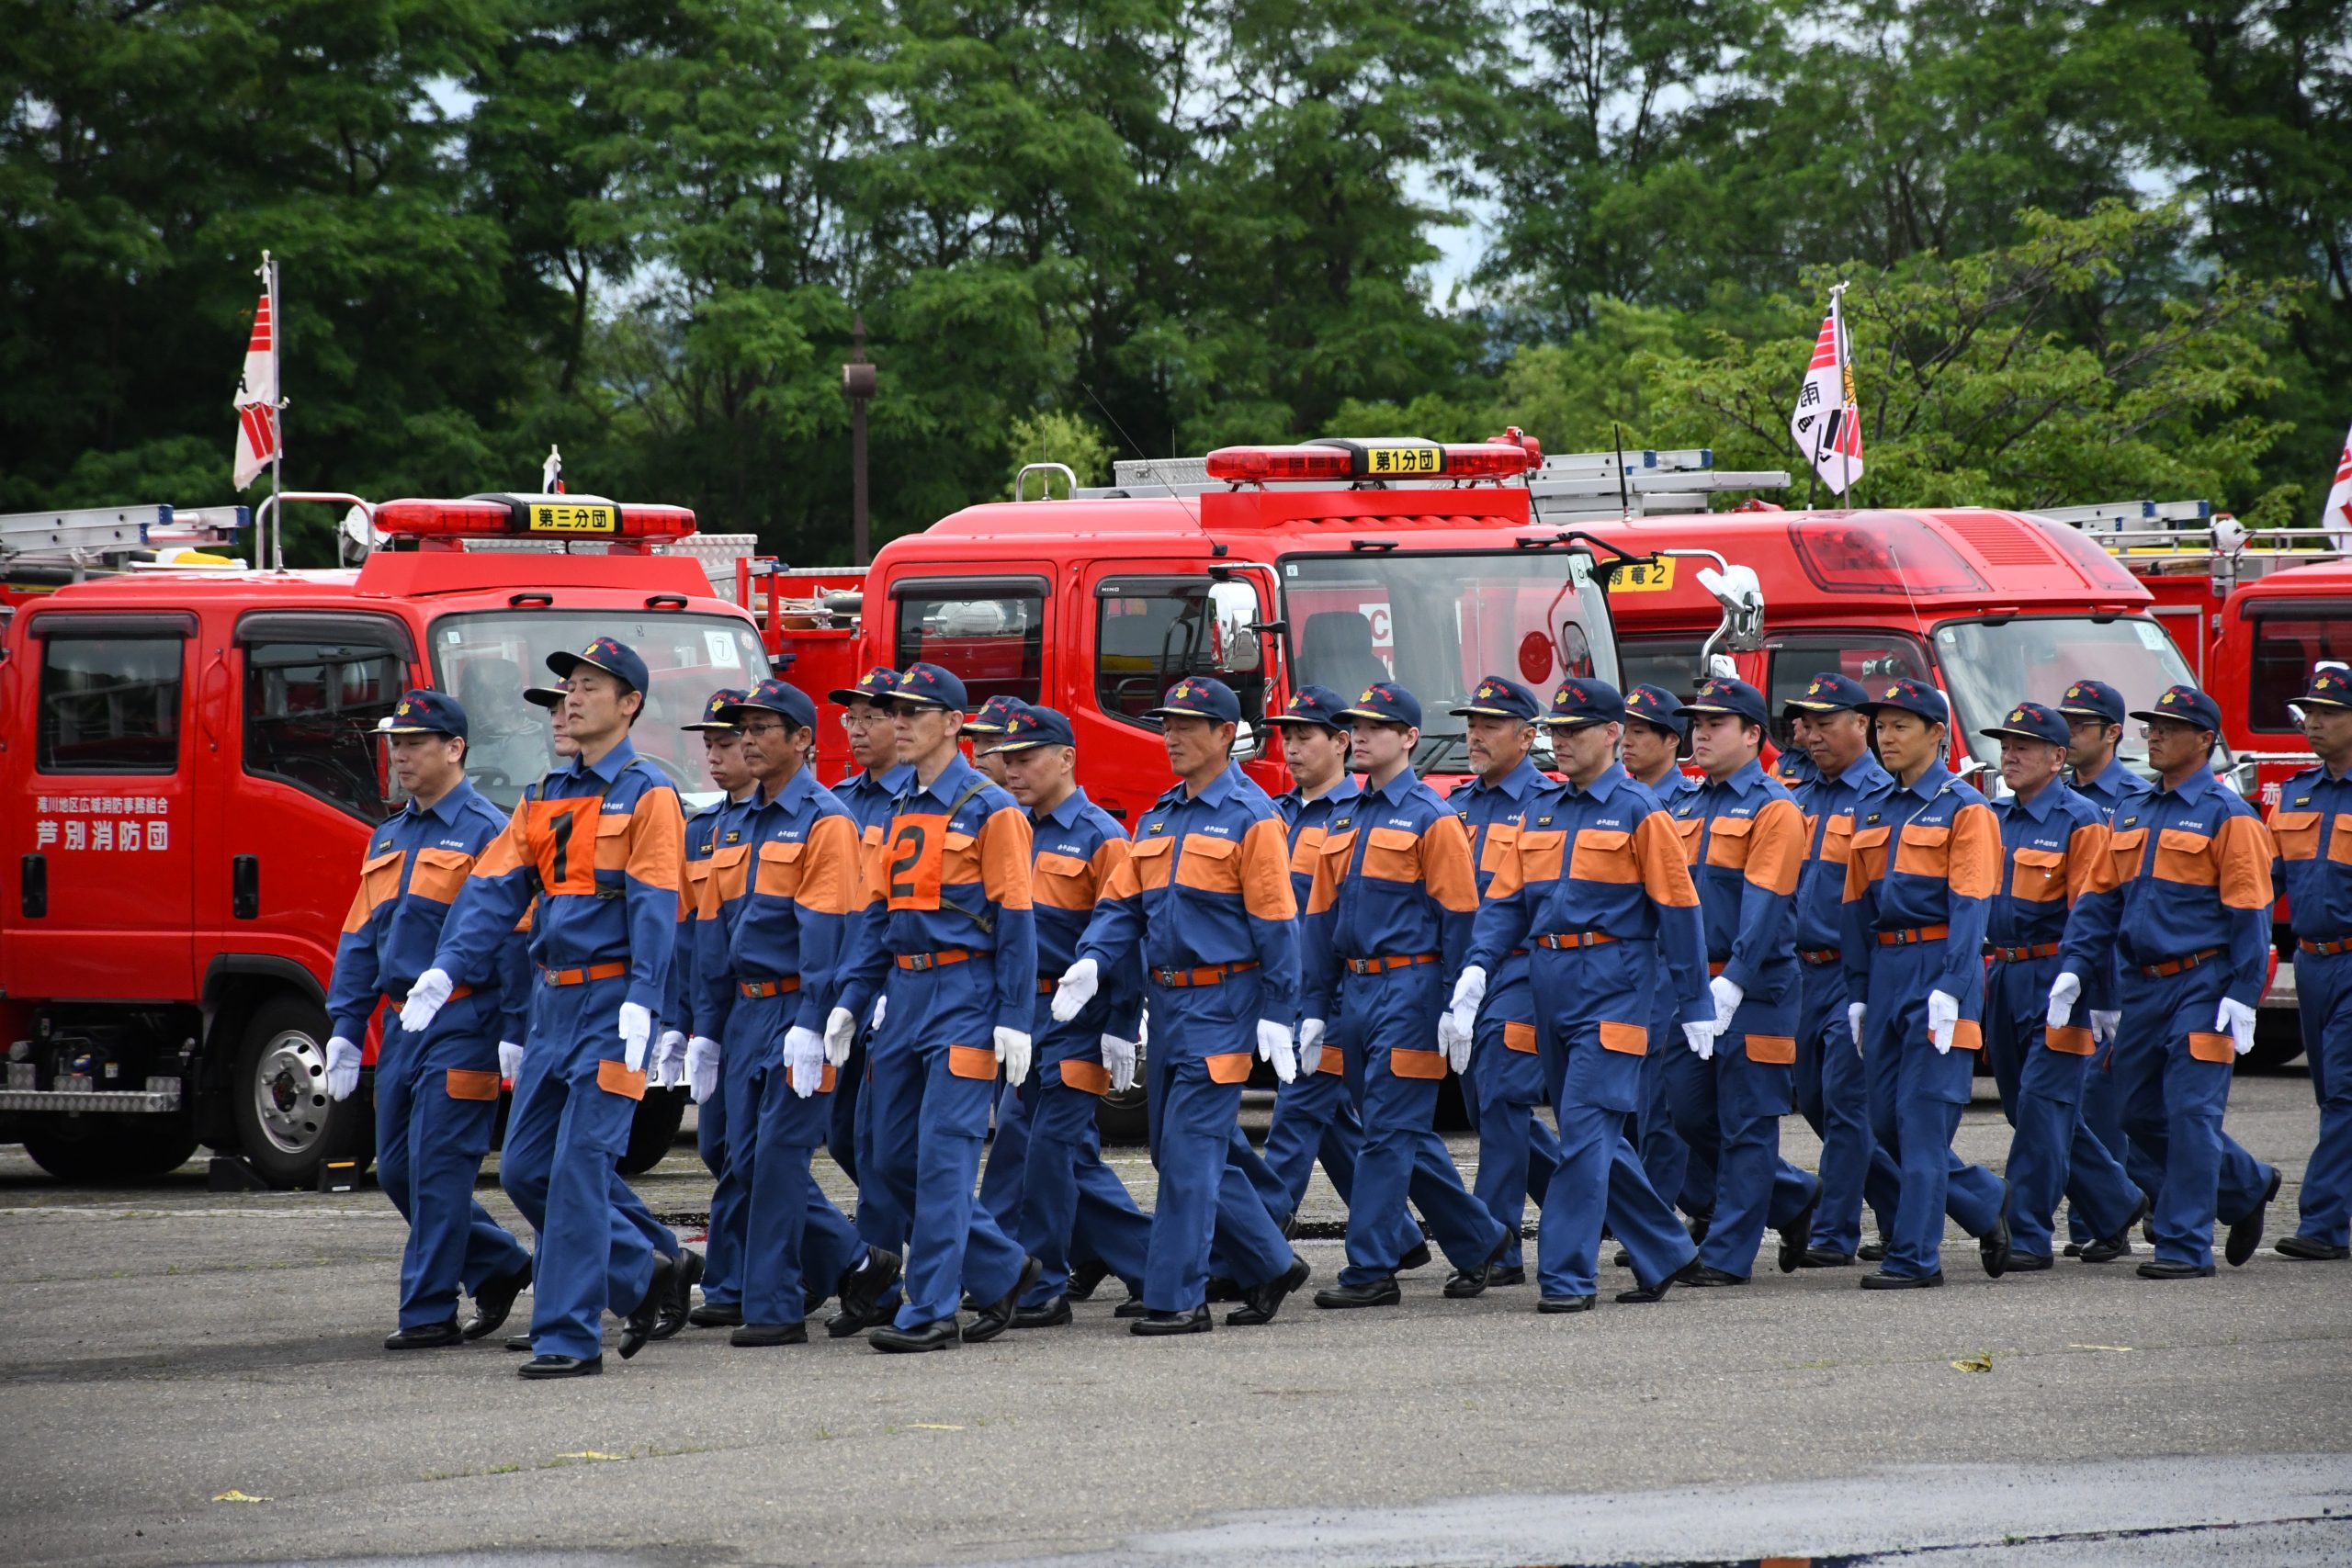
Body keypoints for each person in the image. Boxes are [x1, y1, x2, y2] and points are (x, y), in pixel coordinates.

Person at [402, 637, 694, 1378]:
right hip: (553, 1001)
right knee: (528, 1167)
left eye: (591, 685)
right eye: (569, 686)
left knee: (578, 1166)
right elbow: (493, 889)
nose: (573, 697)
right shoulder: (545, 794)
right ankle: (643, 1269)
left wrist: (646, 997)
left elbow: (657, 901)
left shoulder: (648, 792)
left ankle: (566, 1334)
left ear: (630, 703)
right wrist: (447, 967)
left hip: (613, 1002)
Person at [1053, 677, 1310, 1336]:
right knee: (1173, 1151)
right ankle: (1271, 1262)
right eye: (1167, 724)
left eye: (1187, 725)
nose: (1170, 736)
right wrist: (1093, 959)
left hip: (1224, 1001)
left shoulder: (1252, 817)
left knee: (1191, 1153)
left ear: (1225, 734)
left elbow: (1278, 923)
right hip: (1168, 1003)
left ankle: (1177, 1296)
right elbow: (1121, 903)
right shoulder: (1160, 815)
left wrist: (1279, 1010)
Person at [1453, 678, 1712, 1312]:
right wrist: (1477, 969)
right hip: (1549, 982)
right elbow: (1505, 903)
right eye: (1556, 731)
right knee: (1589, 1131)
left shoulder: (1640, 811)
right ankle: (1666, 1248)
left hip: (1615, 986)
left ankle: (1567, 1275)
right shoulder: (1541, 811)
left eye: (1574, 731)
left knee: (1587, 1130)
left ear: (1612, 733)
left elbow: (1679, 911)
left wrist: (1696, 1002)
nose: (1561, 742)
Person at [826, 662, 1040, 1351]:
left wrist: (1015, 1016)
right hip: (906, 993)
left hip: (966, 995)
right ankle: (1001, 1266)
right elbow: (876, 915)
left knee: (943, 1158)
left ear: (953, 723)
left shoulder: (991, 808)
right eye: (894, 712)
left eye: (913, 712)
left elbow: (1017, 919)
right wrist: (852, 999)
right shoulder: (899, 809)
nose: (899, 723)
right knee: (887, 1156)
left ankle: (932, 1309)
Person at [323, 690, 534, 1350]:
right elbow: (361, 936)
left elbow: (514, 937)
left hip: (466, 1018)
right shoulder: (388, 836)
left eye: (415, 743)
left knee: (440, 1169)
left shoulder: (489, 832)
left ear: (455, 748)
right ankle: (499, 1264)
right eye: (395, 744)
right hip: (403, 1028)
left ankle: (427, 1311)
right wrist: (345, 1025)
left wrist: (514, 1026)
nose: (401, 755)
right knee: (396, 1170)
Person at [2052, 683, 2282, 1279]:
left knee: (2190, 1111)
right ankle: (2244, 1184)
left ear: (2205, 740)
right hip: (2145, 986)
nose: (2154, 735)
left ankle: (2184, 1244)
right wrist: (2075, 966)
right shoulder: (2133, 809)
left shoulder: (2228, 815)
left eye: (2170, 727)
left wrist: (2243, 993)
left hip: (2205, 980)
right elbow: (2100, 900)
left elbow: (2250, 911)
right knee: (2134, 1112)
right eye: (2152, 725)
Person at [695, 678, 900, 1344]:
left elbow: (828, 932)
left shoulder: (825, 820)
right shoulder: (735, 821)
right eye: (744, 729)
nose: (748, 740)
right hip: (745, 1009)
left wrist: (814, 1021)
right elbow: (712, 930)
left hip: (796, 1006)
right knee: (741, 1157)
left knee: (779, 1156)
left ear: (802, 739)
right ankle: (860, 1264)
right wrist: (705, 1028)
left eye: (762, 728)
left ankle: (776, 1306)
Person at [1301, 682, 1509, 1309]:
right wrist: (1313, 1007)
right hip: (1356, 989)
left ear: (1410, 738)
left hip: (1410, 988)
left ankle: (1370, 1267)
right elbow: (1320, 920)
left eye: (1377, 727)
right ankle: (1480, 1238)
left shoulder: (1431, 818)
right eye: (1357, 726)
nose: (1360, 736)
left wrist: (1455, 1004)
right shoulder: (1345, 816)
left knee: (1387, 1134)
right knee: (1396, 1130)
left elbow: (1460, 918)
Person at [1839, 677, 2012, 1290]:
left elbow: (1971, 904)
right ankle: (1984, 1199)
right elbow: (1855, 907)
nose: (1885, 737)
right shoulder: (1873, 807)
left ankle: (1915, 1257)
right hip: (1887, 969)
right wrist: (1858, 991)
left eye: (1900, 726)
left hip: (1940, 965)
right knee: (1885, 1120)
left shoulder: (1966, 808)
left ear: (1937, 733)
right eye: (1879, 726)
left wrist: (1953, 983)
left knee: (1922, 1120)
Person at [993, 704, 1155, 1322]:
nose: (1013, 770)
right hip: (1025, 1011)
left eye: (1027, 757)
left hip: (1077, 1017)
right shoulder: (1013, 828)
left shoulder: (1101, 836)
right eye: (1008, 759)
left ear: (1066, 758)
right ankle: (1151, 1265)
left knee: (1049, 1151)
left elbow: (1126, 936)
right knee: (1053, 1153)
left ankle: (1042, 1285)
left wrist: (1121, 1024)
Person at [1975, 699, 2146, 1269]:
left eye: (2023, 747)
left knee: (2043, 1106)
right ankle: (2116, 1200)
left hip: (2059, 977)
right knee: (2023, 1107)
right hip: (2004, 973)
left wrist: (2101, 997)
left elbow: (2095, 915)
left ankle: (2026, 1233)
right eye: (2005, 746)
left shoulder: (2082, 820)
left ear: (2057, 758)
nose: (2010, 756)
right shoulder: (1994, 817)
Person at [1258, 687, 1424, 1268]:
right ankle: (1437, 1238)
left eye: (1306, 736)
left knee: (1296, 1116)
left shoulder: (1356, 814)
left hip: (1338, 996)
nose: (1292, 748)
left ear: (1340, 743)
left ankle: (1254, 1251)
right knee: (1336, 1125)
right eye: (1287, 737)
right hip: (1284, 994)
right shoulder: (1274, 815)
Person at [1663, 677, 1822, 1284]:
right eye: (1696, 723)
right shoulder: (1686, 804)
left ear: (1753, 734)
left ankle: (1728, 1256)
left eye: (1715, 723)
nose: (1699, 734)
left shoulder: (1773, 807)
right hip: (1693, 985)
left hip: (1756, 989)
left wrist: (1735, 980)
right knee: (1686, 1112)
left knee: (1748, 1121)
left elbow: (1767, 902)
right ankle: (1791, 1195)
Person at [1780, 673, 1898, 1268]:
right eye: (1808, 724)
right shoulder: (1798, 794)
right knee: (1814, 1100)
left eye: (1826, 723)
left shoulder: (1884, 795)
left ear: (1861, 725)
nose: (1813, 735)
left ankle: (1833, 1230)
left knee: (1847, 1101)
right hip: (1801, 971)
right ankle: (1934, 1201)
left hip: (1855, 971)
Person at [1447, 675, 1558, 1291]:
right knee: (1487, 1106)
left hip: (1520, 968)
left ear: (1526, 735)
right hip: (1465, 971)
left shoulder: (1546, 802)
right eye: (1471, 725)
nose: (1475, 736)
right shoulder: (1457, 805)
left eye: (1490, 725)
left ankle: (1496, 1245)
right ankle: (1585, 1196)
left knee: (1498, 1097)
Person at [2054, 676, 2158, 1258]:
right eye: (2064, 722)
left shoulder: (2137, 799)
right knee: (2078, 1097)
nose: (2068, 733)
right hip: (2071, 963)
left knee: (2110, 1097)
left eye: (2080, 725)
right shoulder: (2057, 794)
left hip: (2123, 970)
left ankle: (2113, 1216)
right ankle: (2104, 1215)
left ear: (2113, 733)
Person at [664, 688, 752, 1327]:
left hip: (766, 1004)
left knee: (753, 1154)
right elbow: (687, 939)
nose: (714, 756)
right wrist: (682, 1022)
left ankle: (733, 1279)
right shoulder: (701, 831)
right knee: (720, 1147)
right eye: (710, 745)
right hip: (715, 1009)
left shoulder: (796, 821)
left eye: (726, 744)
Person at [826, 666, 915, 1275]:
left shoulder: (920, 798)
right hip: (844, 986)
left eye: (870, 718)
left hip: (897, 988)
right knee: (841, 1136)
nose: (856, 730)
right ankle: (950, 1237)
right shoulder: (837, 799)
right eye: (849, 718)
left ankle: (881, 1276)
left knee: (880, 1140)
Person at [2269, 665, 2352, 1261]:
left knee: (2345, 1093)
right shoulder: (2297, 793)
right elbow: (2261, 881)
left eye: (2329, 712)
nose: (2314, 722)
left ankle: (2323, 1222)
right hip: (2313, 964)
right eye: (2310, 712)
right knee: (2330, 1095)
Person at [1622, 682, 1711, 1228]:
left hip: (1666, 966)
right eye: (1623, 731)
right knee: (1632, 1103)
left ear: (1671, 740)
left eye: (1639, 732)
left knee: (1659, 1104)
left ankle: (1655, 1224)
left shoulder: (1689, 803)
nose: (1626, 742)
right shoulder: (1618, 799)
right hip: (1622, 969)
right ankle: (1708, 1202)